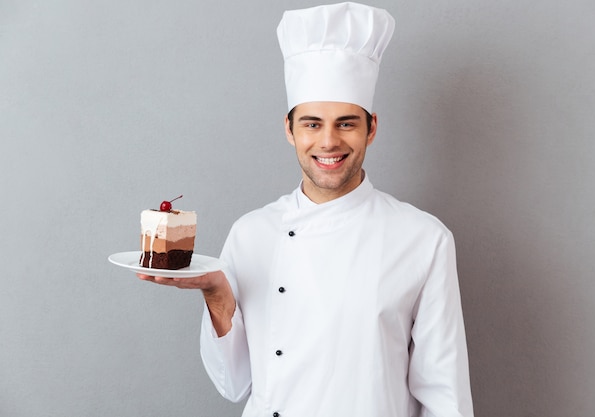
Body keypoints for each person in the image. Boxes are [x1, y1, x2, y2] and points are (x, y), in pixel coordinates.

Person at [138, 2, 474, 416]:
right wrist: (218, 298)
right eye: (312, 123)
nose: (329, 142)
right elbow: (233, 384)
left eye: (346, 123)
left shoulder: (424, 239)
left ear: (372, 128)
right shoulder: (252, 232)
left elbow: (445, 396)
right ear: (289, 129)